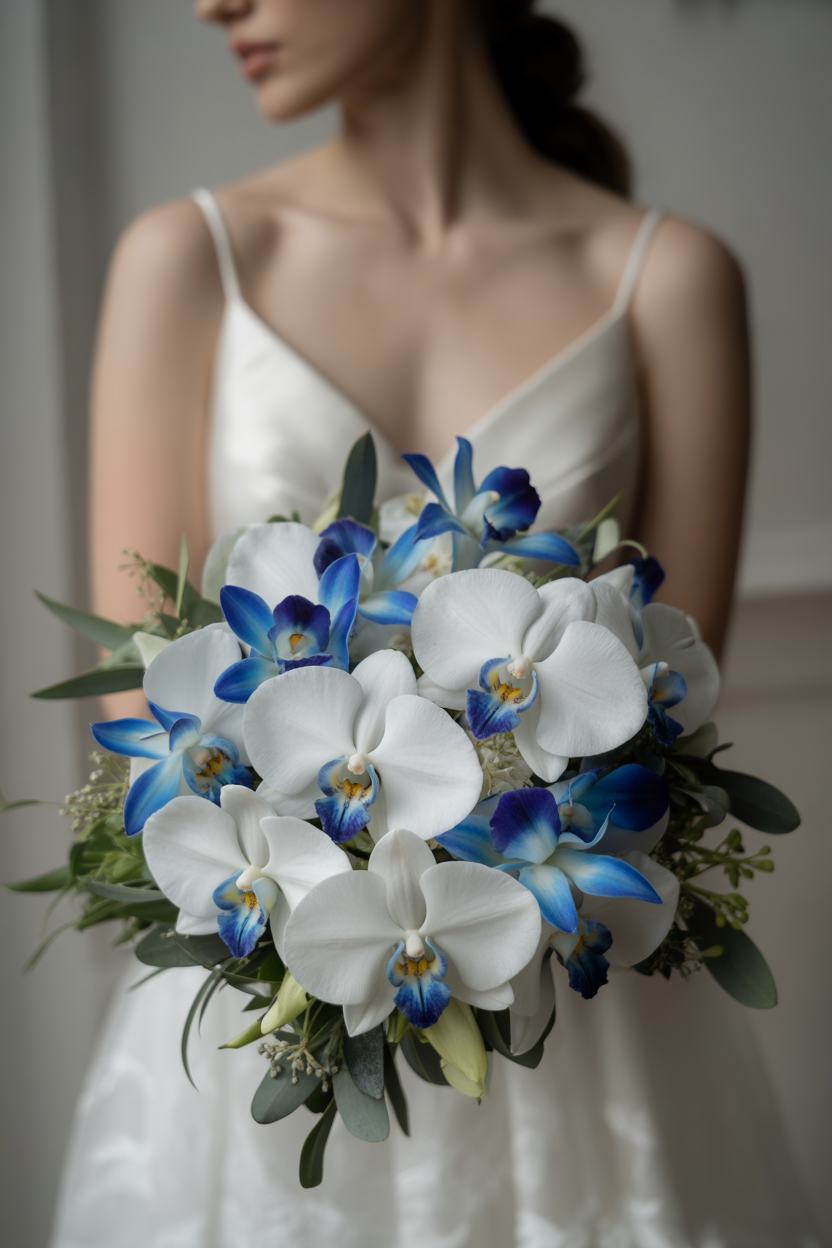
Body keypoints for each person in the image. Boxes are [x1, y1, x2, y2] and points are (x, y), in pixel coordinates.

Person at [52, 2, 812, 1245]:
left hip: (568, 1002)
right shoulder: (187, 260)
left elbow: (662, 715)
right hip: (280, 1010)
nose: (213, 4)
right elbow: (157, 712)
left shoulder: (667, 280)